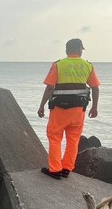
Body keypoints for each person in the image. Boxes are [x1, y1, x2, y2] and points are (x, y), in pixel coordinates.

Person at [37, 38, 100, 180]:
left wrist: (41, 106)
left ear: (66, 50)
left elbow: (49, 88)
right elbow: (95, 88)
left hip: (59, 110)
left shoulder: (58, 65)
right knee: (73, 139)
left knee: (54, 137)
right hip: (78, 111)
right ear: (79, 50)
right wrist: (95, 107)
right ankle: (66, 168)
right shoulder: (88, 66)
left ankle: (55, 169)